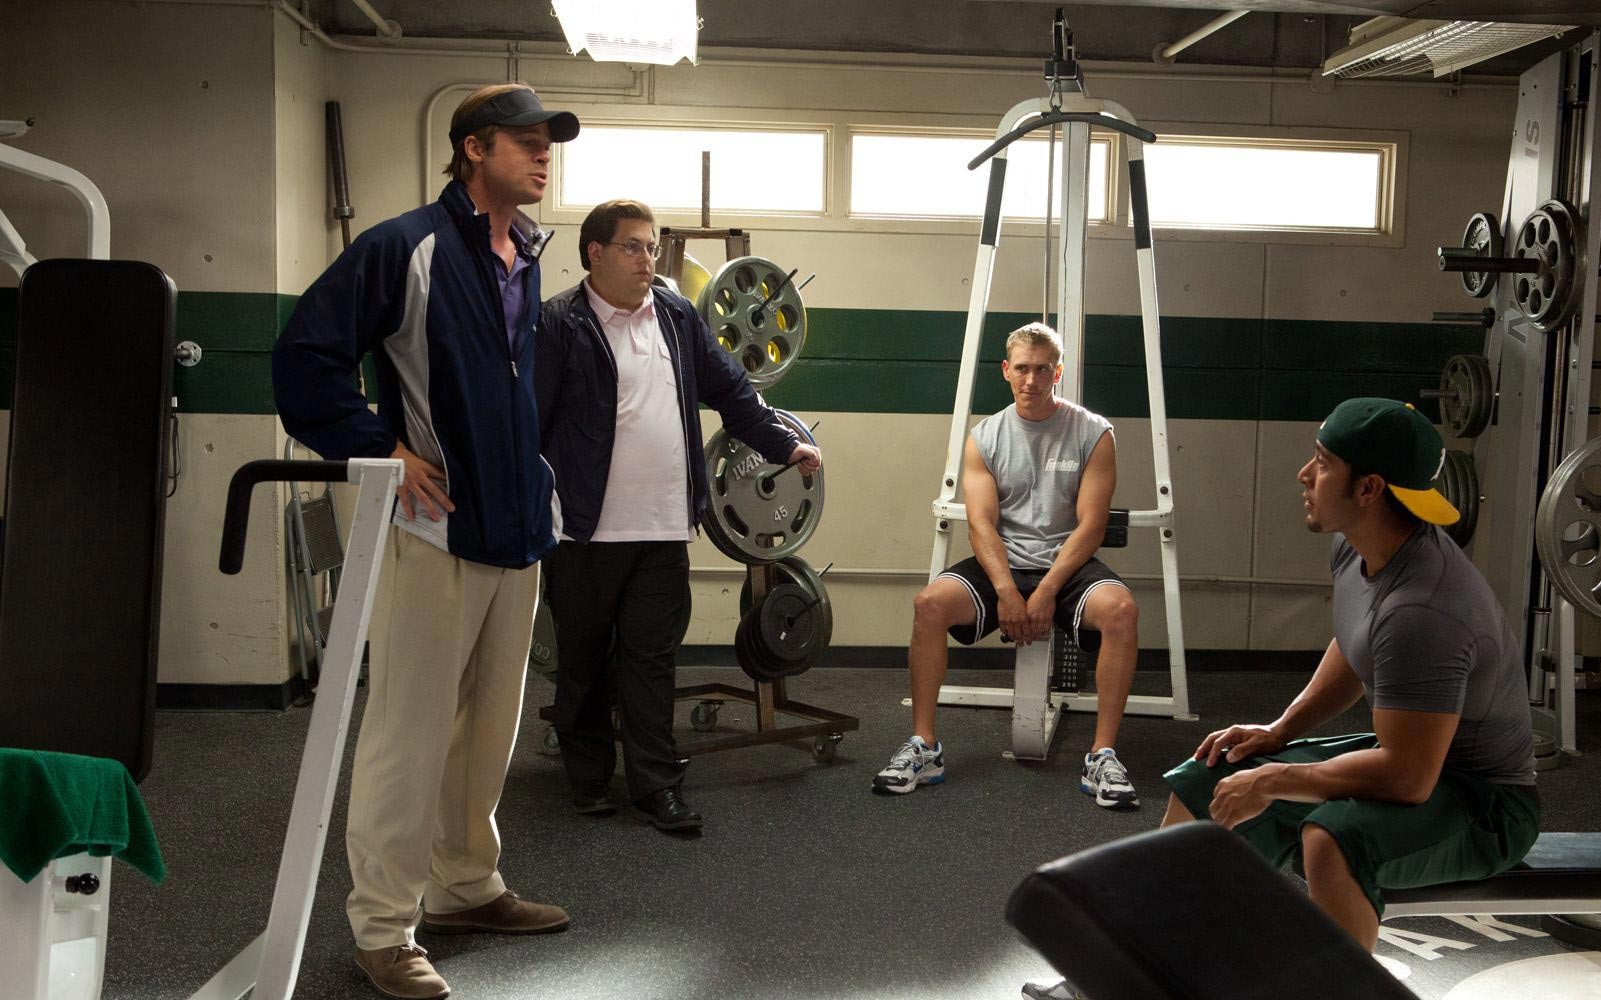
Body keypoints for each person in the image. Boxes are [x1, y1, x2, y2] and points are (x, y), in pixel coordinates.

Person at [273, 83, 578, 1000]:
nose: (543, 155)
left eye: (547, 142)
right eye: (527, 141)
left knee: (489, 731)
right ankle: (382, 927)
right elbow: (304, 361)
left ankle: (464, 884)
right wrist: (378, 447)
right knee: (407, 736)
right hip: (435, 527)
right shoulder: (403, 247)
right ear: (474, 148)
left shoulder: (523, 255)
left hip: (516, 526)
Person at [1160, 397, 1540, 950]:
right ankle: (1134, 967)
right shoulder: (1356, 545)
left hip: (1484, 802)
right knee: (1210, 777)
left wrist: (1274, 780)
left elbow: (1409, 778)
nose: (1304, 474)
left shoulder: (1422, 609)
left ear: (1369, 489)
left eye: (1322, 461)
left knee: (1333, 838)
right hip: (1415, 758)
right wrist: (1279, 732)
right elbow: (1355, 645)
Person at [534, 199, 821, 833]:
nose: (648, 257)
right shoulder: (558, 323)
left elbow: (733, 394)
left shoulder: (676, 313)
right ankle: (587, 780)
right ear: (596, 254)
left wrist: (783, 444)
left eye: (651, 244)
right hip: (584, 530)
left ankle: (656, 787)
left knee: (652, 661)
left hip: (663, 528)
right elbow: (531, 421)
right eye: (633, 246)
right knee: (582, 660)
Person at [873, 322, 1142, 808]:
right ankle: (924, 746)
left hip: (1067, 563)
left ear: (1057, 372)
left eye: (1043, 370)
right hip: (1004, 561)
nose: (1031, 381)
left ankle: (1102, 755)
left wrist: (1043, 591)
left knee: (1122, 612)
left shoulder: (1094, 433)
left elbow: (1091, 526)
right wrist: (1006, 590)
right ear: (1006, 370)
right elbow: (980, 524)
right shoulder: (986, 436)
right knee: (929, 605)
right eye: (1022, 369)